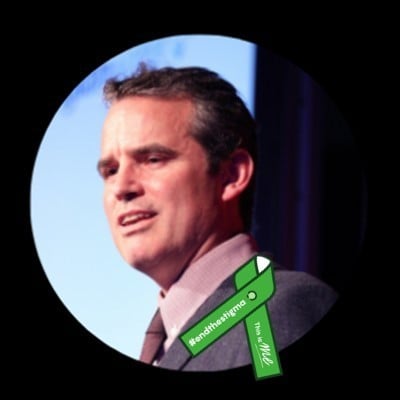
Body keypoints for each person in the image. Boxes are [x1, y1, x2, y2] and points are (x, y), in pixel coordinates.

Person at [97, 63, 338, 371]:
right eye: (110, 171)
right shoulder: (172, 335)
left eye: (153, 159)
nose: (121, 187)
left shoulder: (274, 313)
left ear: (231, 176)